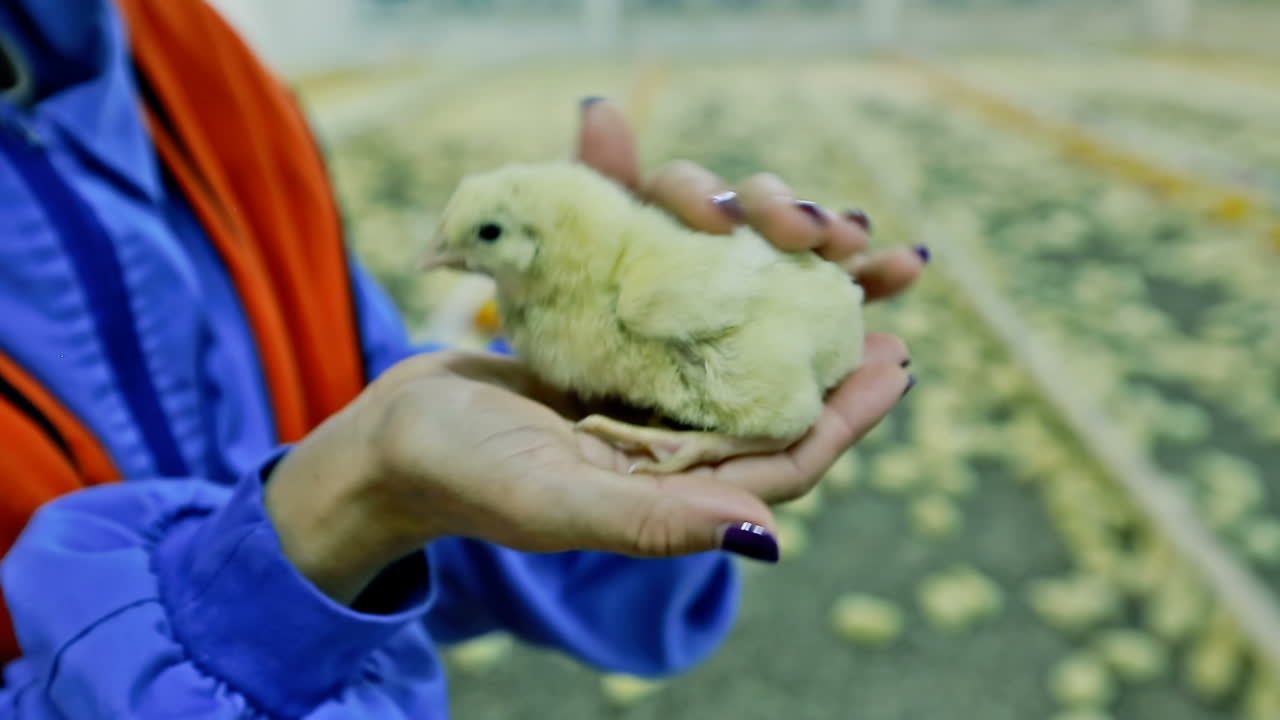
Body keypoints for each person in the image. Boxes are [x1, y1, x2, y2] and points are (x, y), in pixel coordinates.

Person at [0, 0, 925, 717]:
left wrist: (595, 443)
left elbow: (390, 434)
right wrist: (327, 522)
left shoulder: (186, 63)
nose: (444, 257)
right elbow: (358, 459)